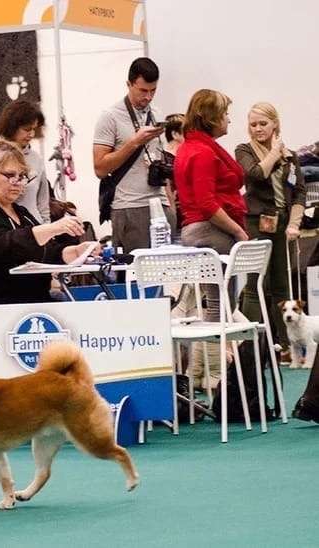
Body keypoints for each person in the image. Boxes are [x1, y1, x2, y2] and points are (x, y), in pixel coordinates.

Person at [0, 138, 92, 307]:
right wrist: (51, 228)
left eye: (22, 176)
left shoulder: (21, 213)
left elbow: (43, 250)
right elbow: (8, 245)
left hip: (25, 302)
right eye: (10, 175)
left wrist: (74, 252)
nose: (18, 183)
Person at [236, 102, 306, 363]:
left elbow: (299, 191)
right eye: (253, 124)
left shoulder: (291, 156)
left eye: (263, 124)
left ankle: (285, 344)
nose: (257, 129)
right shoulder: (244, 150)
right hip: (256, 222)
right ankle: (250, 346)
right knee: (255, 284)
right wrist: (275, 153)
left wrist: (295, 223)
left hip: (283, 223)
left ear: (275, 123)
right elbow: (256, 174)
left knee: (281, 285)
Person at [174, 89, 247, 326]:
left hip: (201, 231)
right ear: (212, 117)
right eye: (225, 113)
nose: (229, 119)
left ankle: (212, 360)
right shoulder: (202, 152)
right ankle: (214, 361)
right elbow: (207, 204)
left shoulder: (191, 148)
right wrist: (237, 231)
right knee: (220, 305)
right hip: (209, 231)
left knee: (220, 304)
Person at [94, 57, 175, 252]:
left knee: (165, 276)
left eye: (153, 90)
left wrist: (171, 205)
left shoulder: (155, 112)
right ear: (129, 84)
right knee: (137, 277)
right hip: (130, 206)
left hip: (161, 204)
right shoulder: (110, 116)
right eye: (143, 91)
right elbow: (100, 168)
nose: (148, 97)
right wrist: (134, 142)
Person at [0, 99, 50, 223]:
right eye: (27, 129)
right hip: (2, 229)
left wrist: (47, 227)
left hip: (34, 229)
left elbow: (43, 202)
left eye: (34, 129)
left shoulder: (36, 159)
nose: (31, 134)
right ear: (12, 126)